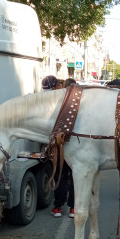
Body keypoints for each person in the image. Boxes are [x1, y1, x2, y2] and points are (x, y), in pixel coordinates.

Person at [42, 76, 75, 218]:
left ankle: (58, 207)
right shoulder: (72, 101)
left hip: (58, 144)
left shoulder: (48, 102)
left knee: (60, 175)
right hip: (72, 144)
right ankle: (73, 208)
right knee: (72, 176)